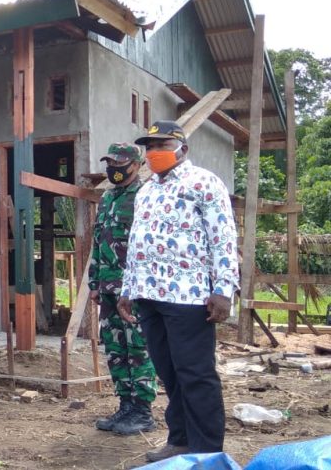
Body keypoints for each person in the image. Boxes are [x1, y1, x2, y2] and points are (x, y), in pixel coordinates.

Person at [118, 120, 239, 462]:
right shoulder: (145, 190)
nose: (154, 153)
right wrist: (129, 289)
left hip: (189, 296)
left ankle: (207, 453)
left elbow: (223, 238)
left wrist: (224, 290)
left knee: (195, 374)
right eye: (150, 147)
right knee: (168, 372)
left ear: (182, 148)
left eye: (161, 146)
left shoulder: (203, 182)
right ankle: (181, 441)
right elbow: (137, 241)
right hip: (149, 294)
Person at [88, 143, 157, 435]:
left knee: (138, 348)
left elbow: (152, 246)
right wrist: (94, 283)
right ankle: (125, 406)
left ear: (137, 165)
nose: (113, 169)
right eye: (110, 163)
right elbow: (97, 243)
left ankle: (142, 412)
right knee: (116, 348)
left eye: (120, 163)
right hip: (107, 288)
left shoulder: (146, 196)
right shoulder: (106, 198)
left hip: (135, 291)